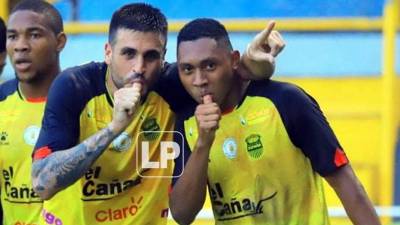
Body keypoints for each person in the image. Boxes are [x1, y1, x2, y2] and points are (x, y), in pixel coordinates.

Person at [31, 3, 284, 225]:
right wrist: (113, 128)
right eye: (128, 53)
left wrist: (253, 62)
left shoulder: (172, 86)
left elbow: (229, 77)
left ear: (163, 59)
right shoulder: (74, 87)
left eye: (151, 56)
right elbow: (42, 183)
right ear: (108, 52)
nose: (139, 67)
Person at [169, 18, 381, 225]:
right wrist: (203, 143)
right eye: (188, 69)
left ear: (234, 60)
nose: (199, 81)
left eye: (210, 66)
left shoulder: (286, 101)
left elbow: (348, 186)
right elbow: (182, 214)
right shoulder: (187, 122)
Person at [0, 0, 66, 224]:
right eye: (12, 37)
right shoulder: (1, 103)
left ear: (60, 42)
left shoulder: (87, 101)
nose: (20, 46)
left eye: (34, 35)